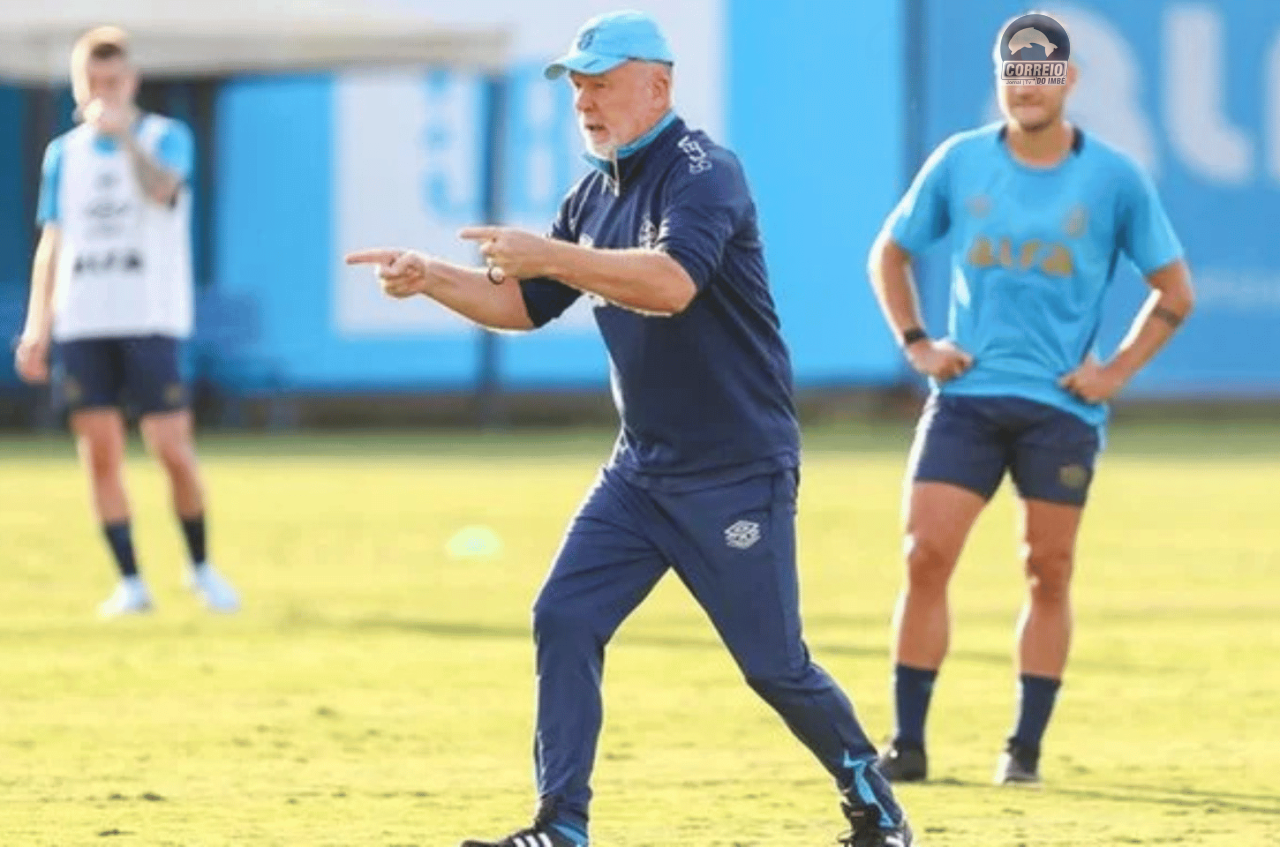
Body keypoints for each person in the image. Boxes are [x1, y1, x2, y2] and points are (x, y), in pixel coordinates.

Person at [346, 10, 914, 847]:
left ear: (660, 84)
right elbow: (524, 303)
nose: (584, 99)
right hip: (641, 473)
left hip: (734, 468)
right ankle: (561, 825)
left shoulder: (704, 170)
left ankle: (875, 801)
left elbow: (672, 283)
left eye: (602, 81)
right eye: (576, 83)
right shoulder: (593, 190)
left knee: (772, 665)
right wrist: (431, 277)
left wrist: (551, 255)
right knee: (564, 616)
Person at [867, 14, 1194, 786]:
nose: (1028, 86)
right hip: (968, 396)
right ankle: (907, 743)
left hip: (1059, 409)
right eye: (1015, 72)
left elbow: (1173, 291)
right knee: (925, 555)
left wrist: (1113, 372)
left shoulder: (1114, 178)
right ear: (1000, 79)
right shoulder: (961, 161)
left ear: (1070, 81)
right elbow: (891, 250)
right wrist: (917, 342)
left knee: (1047, 570)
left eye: (1043, 73)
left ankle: (1025, 749)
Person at [13, 26, 239, 617]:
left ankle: (200, 567)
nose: (104, 92)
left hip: (151, 317)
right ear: (77, 84)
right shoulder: (64, 153)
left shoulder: (165, 137)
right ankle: (132, 582)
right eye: (93, 82)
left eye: (114, 81)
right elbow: (52, 242)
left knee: (169, 446)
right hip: (84, 320)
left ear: (132, 81)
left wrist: (128, 140)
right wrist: (39, 326)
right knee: (101, 452)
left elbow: (163, 192)